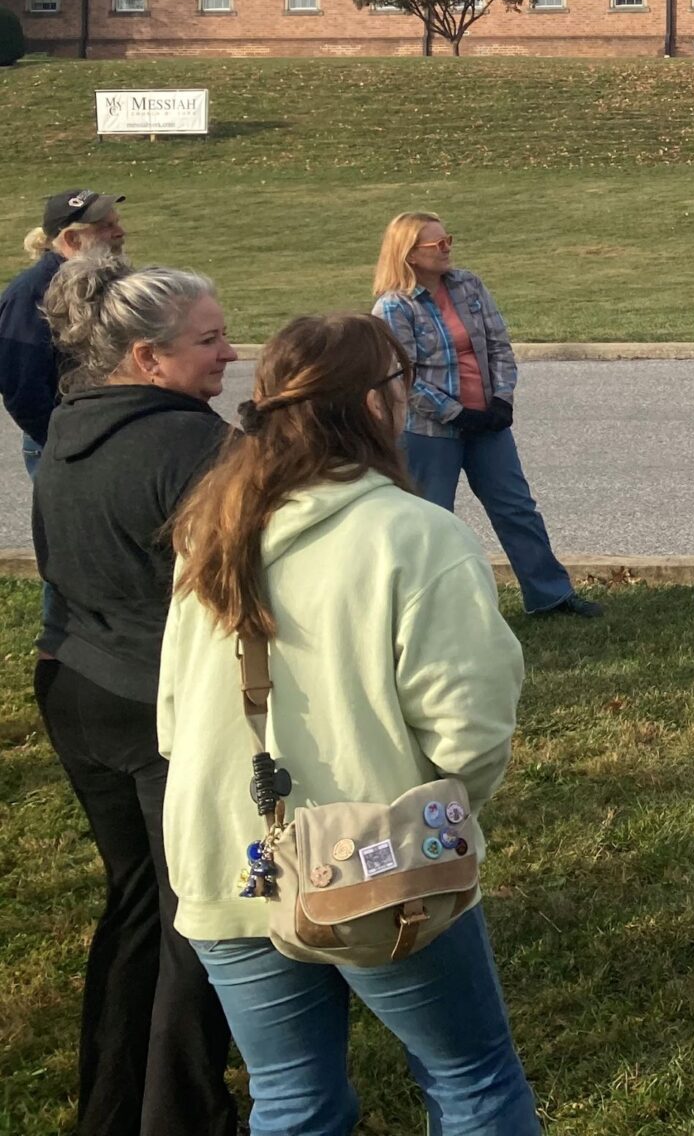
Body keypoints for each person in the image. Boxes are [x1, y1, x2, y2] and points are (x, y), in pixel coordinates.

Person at [158, 313, 535, 1135]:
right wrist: (434, 818)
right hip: (380, 856)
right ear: (373, 405)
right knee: (471, 1080)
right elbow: (469, 729)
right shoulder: (414, 535)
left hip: (225, 853)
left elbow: (173, 714)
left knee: (292, 1100)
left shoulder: (210, 526)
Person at [31, 254, 239, 1136]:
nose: (231, 352)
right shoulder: (194, 445)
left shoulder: (71, 427)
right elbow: (241, 585)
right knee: (203, 912)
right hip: (159, 706)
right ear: (148, 360)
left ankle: (109, 1111)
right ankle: (181, 1117)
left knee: (139, 904)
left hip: (76, 687)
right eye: (209, 340)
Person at [372, 213, 599, 619]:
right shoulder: (393, 308)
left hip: (488, 424)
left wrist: (502, 402)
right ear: (409, 254)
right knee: (432, 520)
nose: (447, 249)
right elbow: (400, 377)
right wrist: (455, 414)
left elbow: (498, 344)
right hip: (428, 431)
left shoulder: (468, 285)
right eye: (436, 244)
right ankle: (427, 612)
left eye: (448, 240)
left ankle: (550, 596)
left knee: (516, 508)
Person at [3, 188, 126, 475]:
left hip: (109, 432)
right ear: (72, 238)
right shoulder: (32, 292)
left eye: (117, 222)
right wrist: (63, 440)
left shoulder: (109, 280)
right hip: (69, 442)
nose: (120, 232)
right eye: (106, 226)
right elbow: (21, 386)